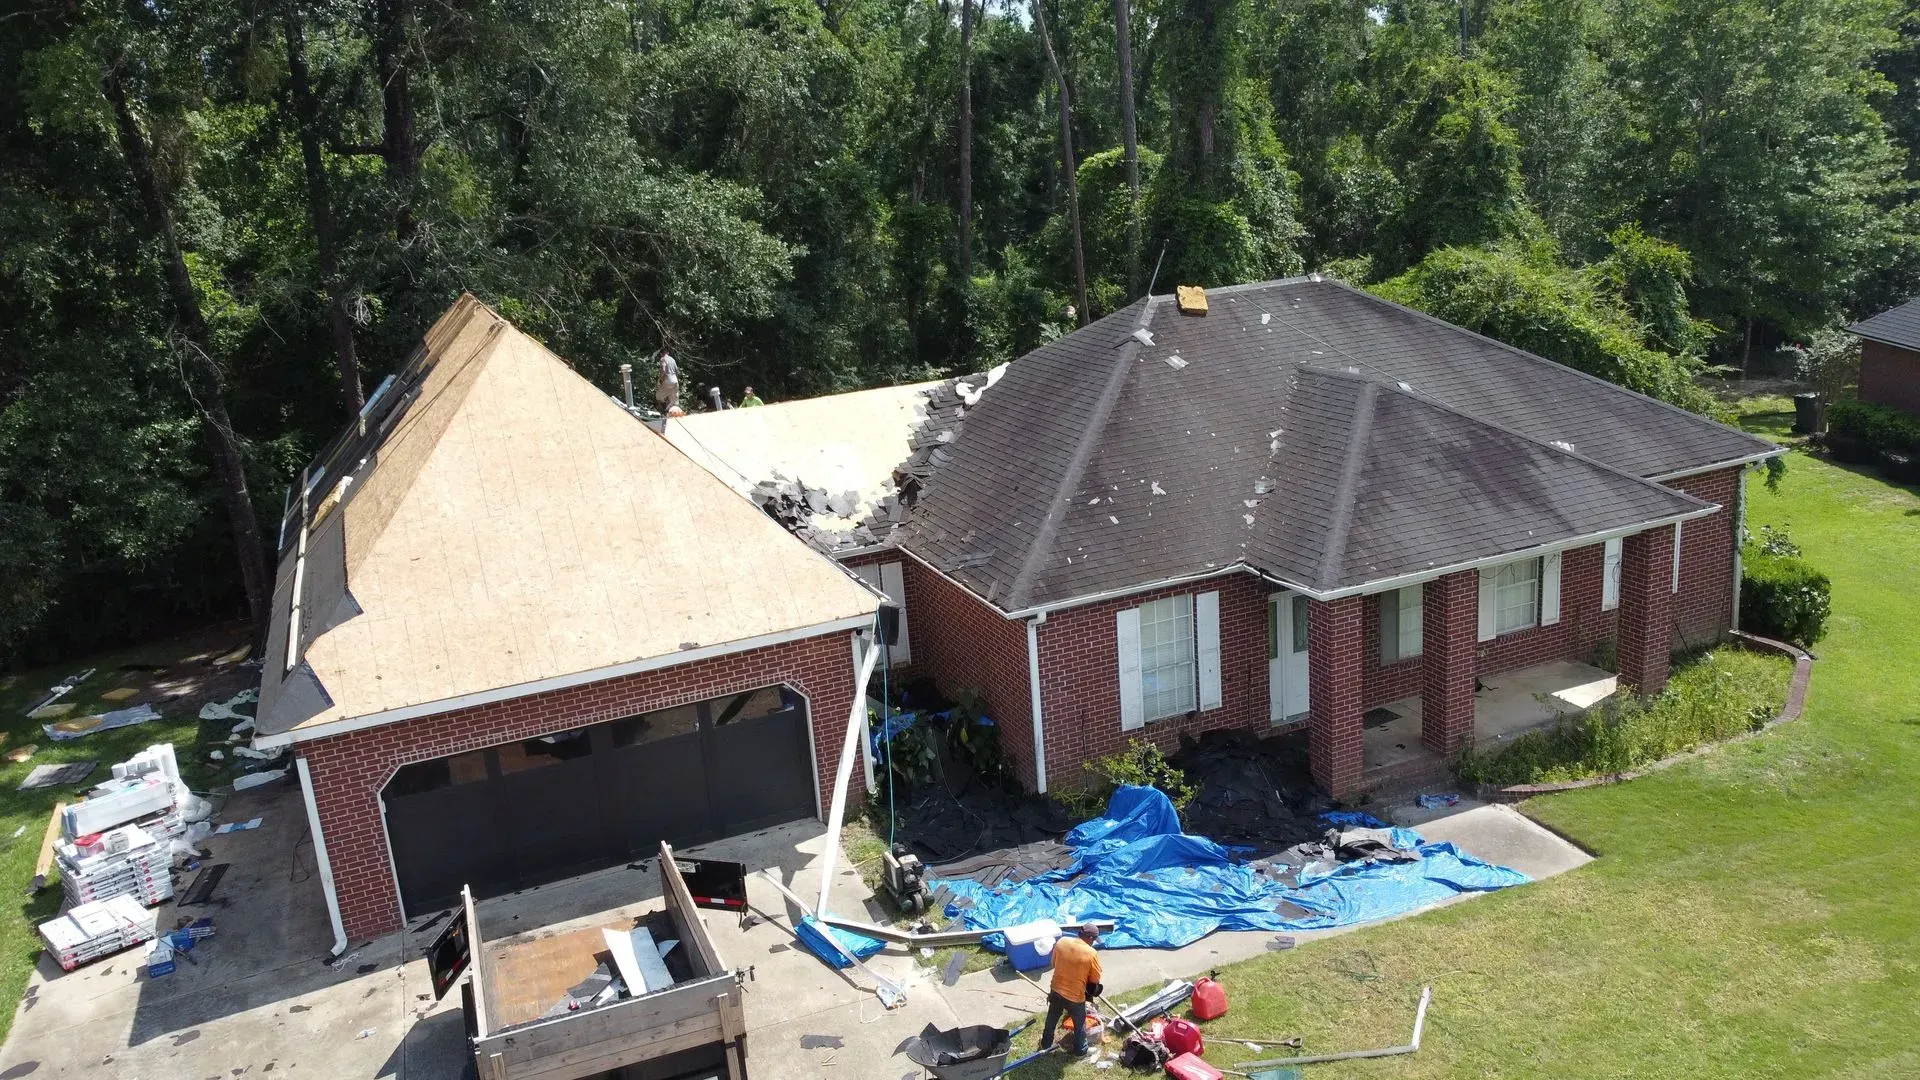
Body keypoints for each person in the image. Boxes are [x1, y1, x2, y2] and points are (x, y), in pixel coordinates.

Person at [1038, 925, 1102, 1056]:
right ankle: (1081, 1050)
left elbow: (1054, 963)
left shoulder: (1062, 942)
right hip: (1075, 997)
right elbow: (1094, 981)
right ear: (1090, 938)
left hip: (1056, 989)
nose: (1093, 942)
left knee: (1052, 1017)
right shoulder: (1091, 953)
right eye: (1094, 939)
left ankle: (1045, 1044)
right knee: (1079, 1025)